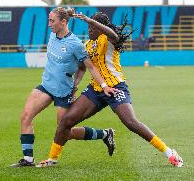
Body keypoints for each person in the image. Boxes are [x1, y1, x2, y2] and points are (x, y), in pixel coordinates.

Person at [36, 12, 183, 168]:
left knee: (131, 122)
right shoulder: (87, 45)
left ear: (100, 28)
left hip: (115, 87)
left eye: (92, 27)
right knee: (66, 122)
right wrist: (75, 85)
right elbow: (81, 68)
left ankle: (169, 152)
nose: (89, 30)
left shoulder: (110, 39)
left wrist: (90, 20)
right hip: (96, 89)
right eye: (88, 27)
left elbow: (112, 33)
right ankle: (52, 159)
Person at [10, 8, 118, 167]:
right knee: (26, 116)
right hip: (46, 86)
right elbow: (63, 13)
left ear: (63, 23)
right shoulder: (53, 34)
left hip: (63, 92)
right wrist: (67, 11)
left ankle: (104, 134)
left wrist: (97, 85)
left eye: (52, 21)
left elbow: (87, 67)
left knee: (65, 132)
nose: (48, 24)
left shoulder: (75, 44)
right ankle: (28, 160)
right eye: (48, 20)